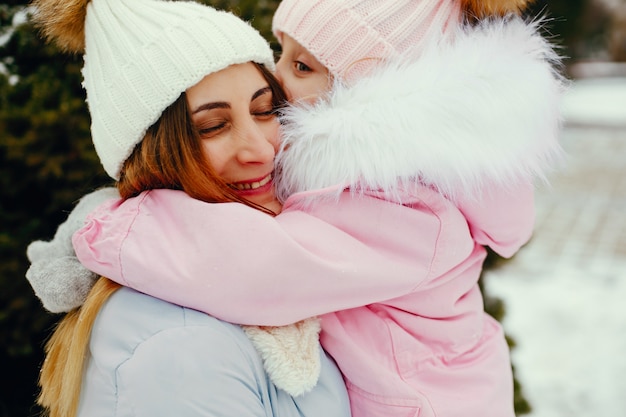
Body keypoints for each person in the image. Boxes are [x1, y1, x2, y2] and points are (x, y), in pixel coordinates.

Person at [30, 0, 566, 416]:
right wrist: (103, 215)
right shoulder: (340, 174)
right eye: (280, 51)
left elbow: (260, 266)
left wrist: (117, 228)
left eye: (302, 66)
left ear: (374, 96)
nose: (278, 79)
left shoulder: (415, 212)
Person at [26, 0, 353, 416]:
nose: (260, 150)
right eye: (213, 127)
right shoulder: (182, 346)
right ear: (152, 155)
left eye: (264, 110)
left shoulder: (267, 275)